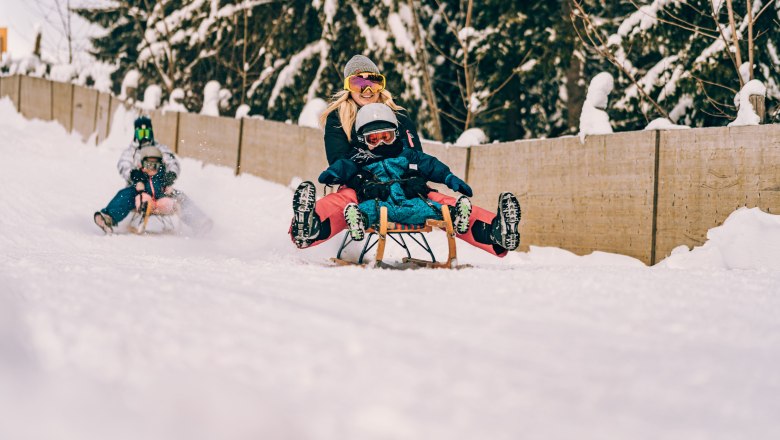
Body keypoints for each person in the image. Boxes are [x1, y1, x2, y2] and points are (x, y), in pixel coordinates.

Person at [290, 54, 520, 256]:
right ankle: (310, 226)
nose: (367, 89)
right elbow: (338, 160)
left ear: (381, 85)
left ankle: (494, 231)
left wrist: (415, 181)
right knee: (345, 201)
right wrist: (362, 180)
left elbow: (416, 157)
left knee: (442, 203)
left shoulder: (398, 117)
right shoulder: (339, 117)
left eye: (373, 82)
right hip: (361, 182)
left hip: (402, 182)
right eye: (359, 82)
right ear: (349, 86)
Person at [317, 103, 473, 240]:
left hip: (406, 200)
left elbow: (429, 164)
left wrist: (448, 177)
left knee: (426, 206)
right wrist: (332, 173)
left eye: (386, 136)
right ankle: (358, 221)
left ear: (396, 134)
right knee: (371, 209)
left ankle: (456, 215)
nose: (381, 143)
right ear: (363, 140)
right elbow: (345, 165)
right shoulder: (360, 157)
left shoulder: (406, 154)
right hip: (379, 200)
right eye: (373, 139)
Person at [93, 116, 212, 234]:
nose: (144, 136)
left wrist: (170, 175)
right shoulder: (132, 151)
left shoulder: (160, 149)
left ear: (151, 133)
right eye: (141, 133)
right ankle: (108, 217)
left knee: (179, 196)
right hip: (138, 189)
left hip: (160, 186)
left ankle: (199, 221)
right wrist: (133, 175)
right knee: (125, 195)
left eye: (147, 133)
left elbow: (172, 162)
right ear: (136, 134)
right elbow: (123, 164)